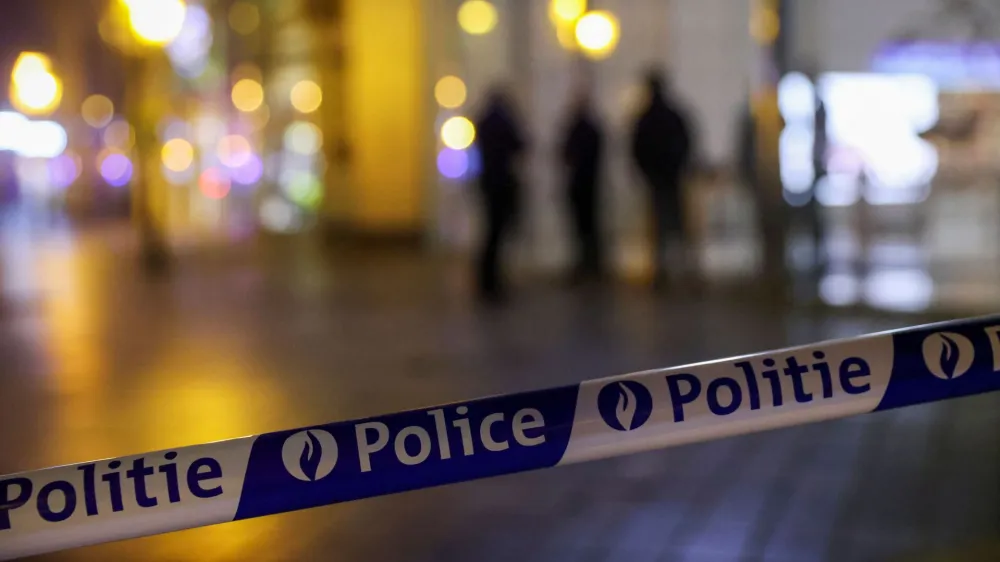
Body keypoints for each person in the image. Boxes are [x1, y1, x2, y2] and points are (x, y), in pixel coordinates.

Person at [630, 70, 695, 290]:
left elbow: (637, 148)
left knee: (663, 228)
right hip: (668, 178)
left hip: (660, 179)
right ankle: (681, 272)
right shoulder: (671, 115)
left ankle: (667, 273)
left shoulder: (647, 117)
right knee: (675, 227)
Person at [473, 86, 527, 302]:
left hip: (488, 182)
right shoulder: (504, 122)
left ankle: (487, 279)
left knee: (490, 232)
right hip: (501, 183)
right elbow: (519, 145)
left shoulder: (483, 121)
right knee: (497, 233)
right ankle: (491, 281)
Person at [559, 85, 605, 284]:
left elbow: (565, 153)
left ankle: (589, 265)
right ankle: (591, 265)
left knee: (584, 228)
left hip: (582, 184)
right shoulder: (591, 128)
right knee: (588, 228)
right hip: (589, 184)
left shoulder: (579, 129)